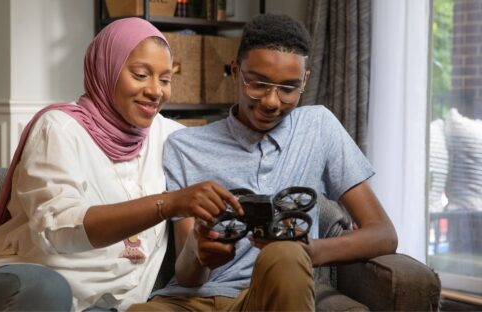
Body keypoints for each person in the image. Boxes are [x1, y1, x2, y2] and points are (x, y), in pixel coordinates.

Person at [0, 17, 241, 312]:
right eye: (140, 74)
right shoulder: (58, 129)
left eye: (165, 79)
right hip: (18, 283)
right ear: (105, 70)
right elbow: (60, 231)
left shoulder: (169, 137)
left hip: (103, 302)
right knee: (49, 289)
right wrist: (168, 203)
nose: (155, 91)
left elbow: (225, 148)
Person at [128, 14, 398, 311]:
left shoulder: (318, 127)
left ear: (305, 81)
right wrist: (197, 249)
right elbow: (188, 276)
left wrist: (309, 251)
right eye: (258, 84)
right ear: (235, 71)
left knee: (284, 254)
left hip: (271, 293)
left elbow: (383, 233)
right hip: (196, 299)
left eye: (288, 88)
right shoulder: (185, 147)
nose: (271, 101)